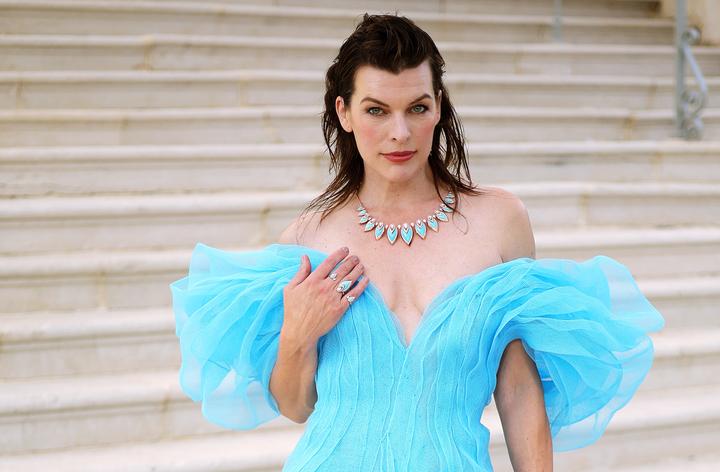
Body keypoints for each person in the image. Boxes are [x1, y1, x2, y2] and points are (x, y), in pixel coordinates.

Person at [170, 13, 665, 472]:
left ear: (438, 106)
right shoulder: (307, 235)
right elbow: (296, 406)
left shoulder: (499, 220)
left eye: (417, 108)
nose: (400, 133)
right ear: (344, 112)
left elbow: (517, 388)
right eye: (376, 110)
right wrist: (298, 332)